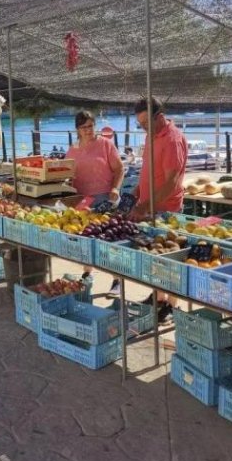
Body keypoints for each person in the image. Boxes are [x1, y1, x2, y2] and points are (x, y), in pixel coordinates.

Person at [128, 98, 188, 321]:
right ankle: (158, 297)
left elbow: (171, 182)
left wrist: (144, 205)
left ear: (159, 116)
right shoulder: (151, 136)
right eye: (140, 123)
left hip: (166, 210)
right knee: (155, 259)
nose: (143, 127)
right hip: (150, 208)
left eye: (146, 122)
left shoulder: (172, 139)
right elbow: (147, 171)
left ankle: (171, 305)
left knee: (169, 260)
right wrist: (135, 192)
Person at [66, 110, 125, 280]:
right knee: (85, 240)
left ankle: (116, 280)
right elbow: (68, 175)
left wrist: (115, 188)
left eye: (91, 126)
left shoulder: (106, 144)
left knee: (109, 242)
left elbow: (120, 169)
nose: (88, 130)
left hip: (105, 199)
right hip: (82, 201)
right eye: (84, 127)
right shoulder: (72, 150)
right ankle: (87, 274)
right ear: (77, 129)